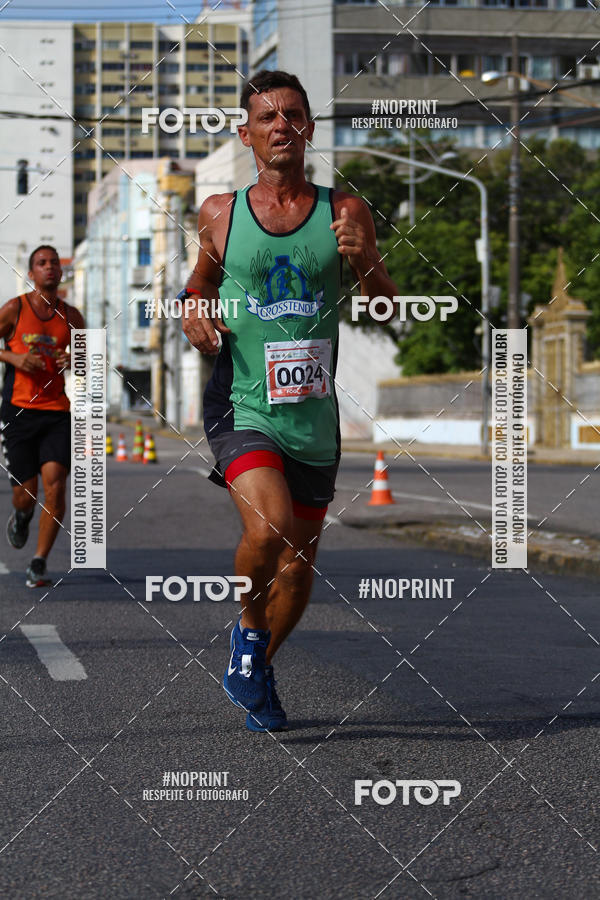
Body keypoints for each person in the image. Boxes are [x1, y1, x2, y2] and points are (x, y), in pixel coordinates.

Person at [182, 70, 398, 732]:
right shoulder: (221, 212)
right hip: (243, 401)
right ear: (247, 134)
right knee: (268, 526)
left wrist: (365, 263)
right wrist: (194, 312)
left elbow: (387, 308)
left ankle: (258, 666)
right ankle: (247, 632)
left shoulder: (346, 211)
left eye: (294, 114)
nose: (282, 125)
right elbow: (200, 282)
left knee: (300, 572)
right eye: (268, 117)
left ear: (309, 127)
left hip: (312, 413)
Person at [0, 245, 85, 587]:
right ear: (31, 272)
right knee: (27, 494)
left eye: (54, 263)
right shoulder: (14, 309)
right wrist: (13, 358)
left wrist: (73, 360)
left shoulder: (73, 316)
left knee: (56, 486)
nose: (49, 267)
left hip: (56, 412)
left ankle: (38, 562)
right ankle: (21, 515)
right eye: (41, 263)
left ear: (60, 273)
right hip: (19, 410)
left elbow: (85, 359)